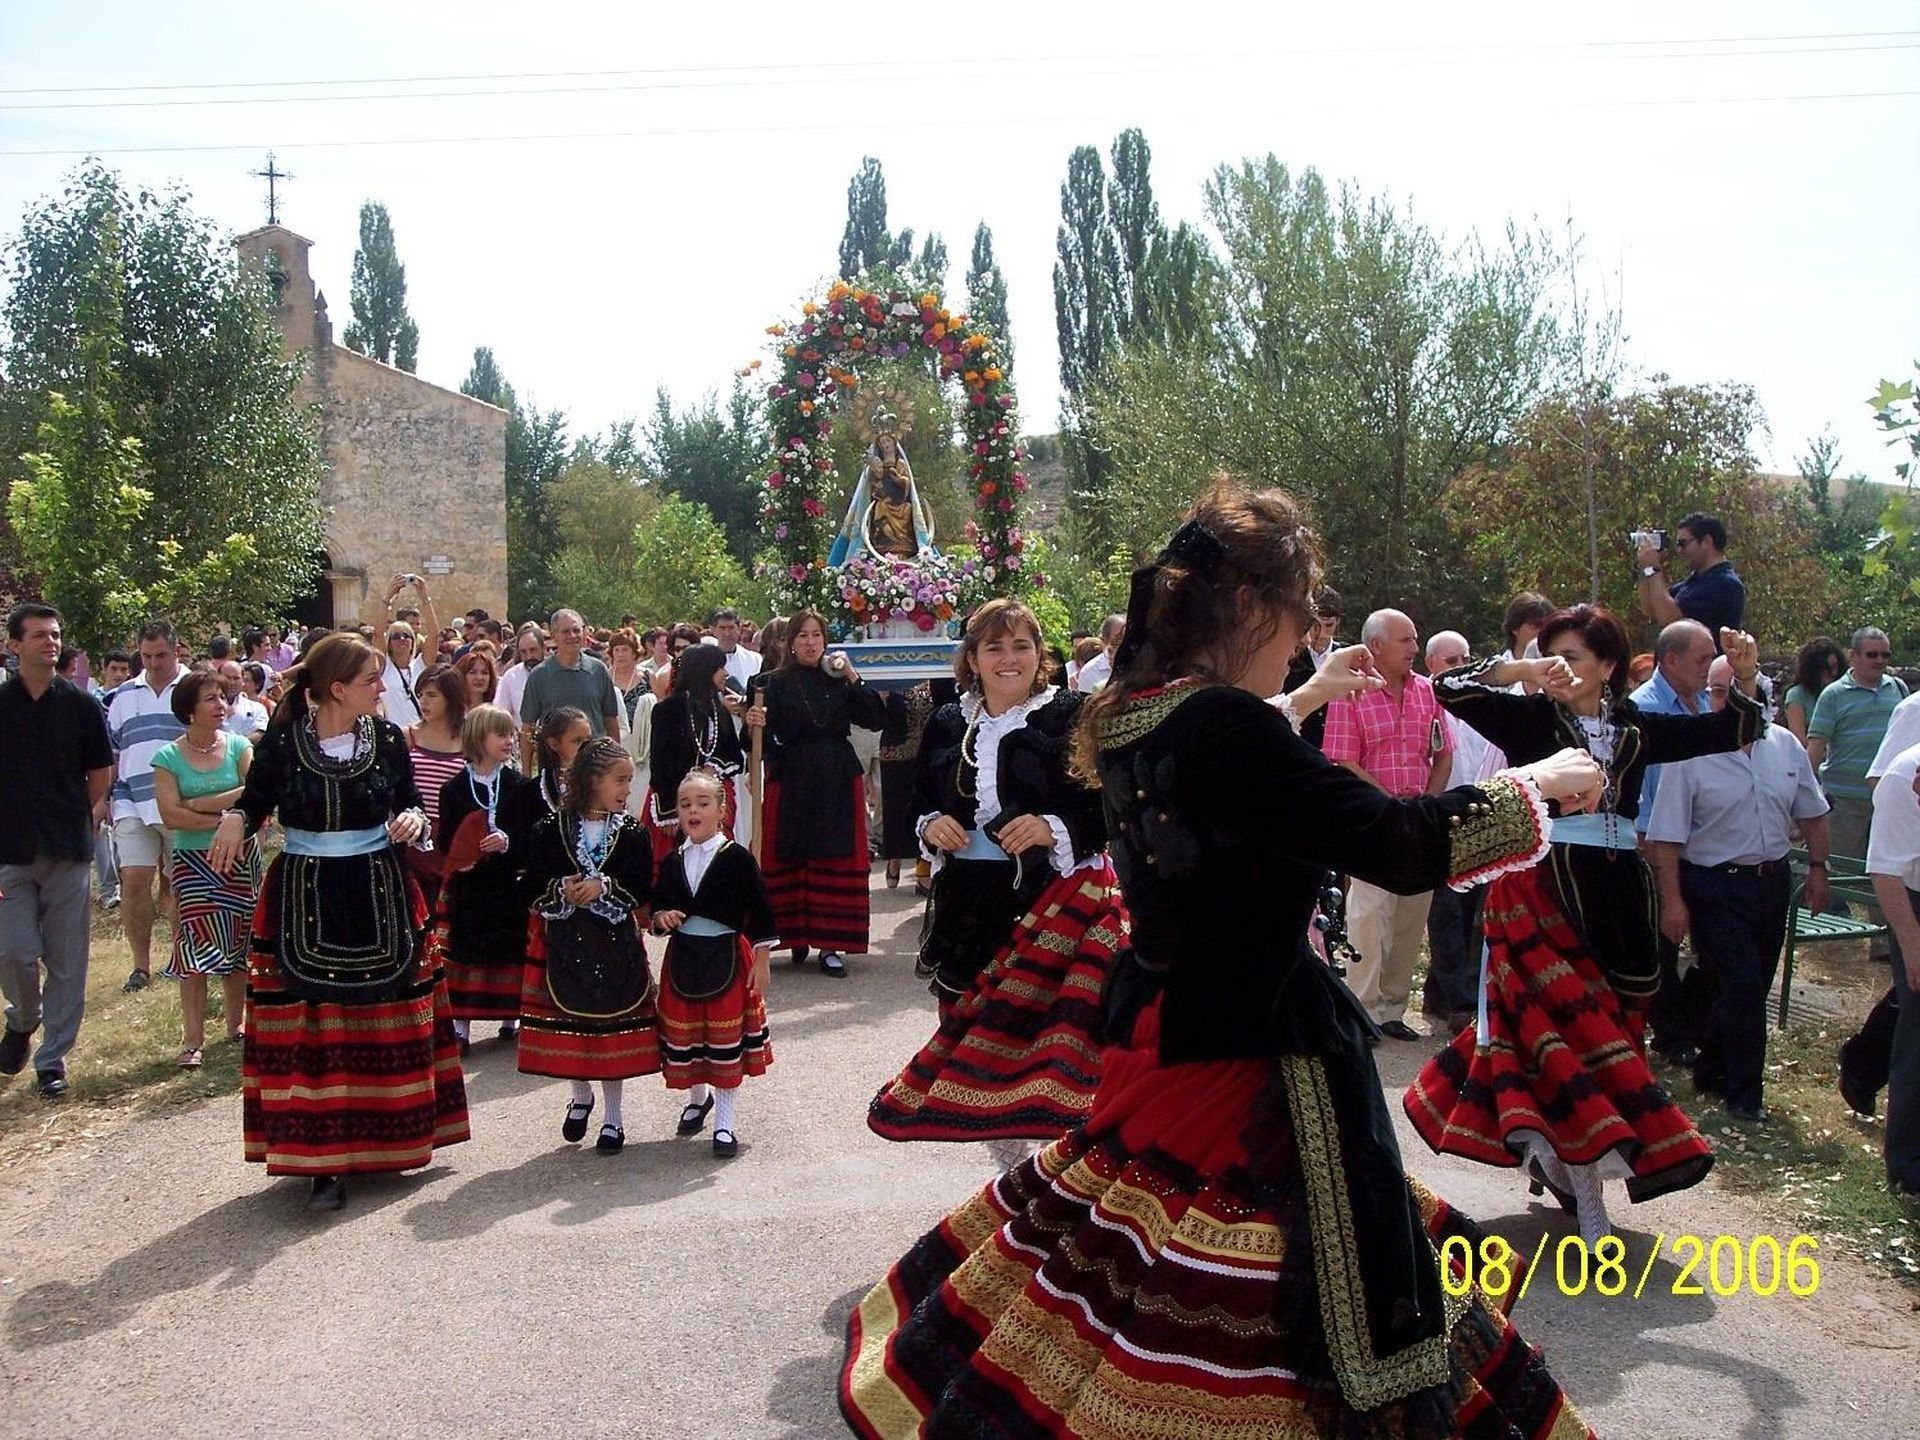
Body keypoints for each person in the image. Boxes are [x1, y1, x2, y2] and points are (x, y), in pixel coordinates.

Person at [841, 484, 1602, 1438]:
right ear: (1248, 608)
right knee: (1279, 1295)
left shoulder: (1137, 710)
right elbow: (1402, 841)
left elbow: (1246, 751)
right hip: (1255, 1052)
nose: (1301, 642)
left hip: (1166, 1021)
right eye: (1296, 620)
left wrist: (1314, 696)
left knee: (1135, 1265)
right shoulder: (1218, 725)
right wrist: (1537, 784)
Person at [1407, 606, 1767, 1243]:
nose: (1561, 668)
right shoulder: (1529, 716)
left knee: (1610, 1033)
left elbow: (1731, 730)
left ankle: (1565, 1154)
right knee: (1553, 1027)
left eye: (1573, 657)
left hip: (1620, 897)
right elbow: (1449, 686)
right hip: (1542, 888)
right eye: (1553, 656)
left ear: (1607, 665)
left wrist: (1742, 676)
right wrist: (1521, 667)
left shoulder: (1635, 728)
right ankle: (1586, 1186)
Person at [207, 634, 466, 1211]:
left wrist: (411, 821)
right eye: (372, 679)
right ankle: (325, 1161)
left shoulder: (390, 740)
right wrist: (234, 819)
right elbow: (256, 802)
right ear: (337, 689)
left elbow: (412, 806)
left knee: (384, 1012)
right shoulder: (283, 741)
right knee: (318, 1022)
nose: (382, 687)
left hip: (379, 889)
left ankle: (396, 1140)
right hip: (304, 893)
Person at [868, 599, 1126, 1142]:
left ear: (1040, 655)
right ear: (973, 658)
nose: (1009, 659)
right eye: (995, 648)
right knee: (971, 1042)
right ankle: (998, 1157)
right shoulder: (945, 721)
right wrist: (931, 824)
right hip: (967, 902)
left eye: (1021, 646)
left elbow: (1110, 807)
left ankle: (1051, 1158)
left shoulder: (1074, 713)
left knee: (1052, 1047)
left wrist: (1051, 827)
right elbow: (919, 799)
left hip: (1052, 899)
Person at [1644, 653, 1832, 1121]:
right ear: (1710, 696)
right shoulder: (1689, 753)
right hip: (1713, 885)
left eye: (1746, 692)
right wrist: (1673, 902)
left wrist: (1819, 866)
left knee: (1743, 983)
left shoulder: (1785, 746)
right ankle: (1745, 1093)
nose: (1736, 702)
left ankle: (1712, 1064)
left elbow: (1811, 809)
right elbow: (1665, 838)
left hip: (1770, 881)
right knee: (1744, 984)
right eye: (1723, 692)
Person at [519, 736, 658, 1155]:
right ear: (592, 780)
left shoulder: (632, 832)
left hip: (615, 943)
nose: (626, 790)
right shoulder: (549, 829)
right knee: (573, 1025)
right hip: (566, 941)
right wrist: (562, 889)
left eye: (630, 781)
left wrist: (606, 887)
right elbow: (529, 883)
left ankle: (613, 1118)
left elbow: (641, 885)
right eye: (620, 780)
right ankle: (580, 1095)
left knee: (610, 1029)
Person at [0, 604, 115, 1100]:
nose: (51, 642)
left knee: (68, 962)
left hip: (68, 847)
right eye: (40, 635)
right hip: (10, 850)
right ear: (14, 645)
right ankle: (23, 1019)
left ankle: (53, 1060)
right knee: (14, 951)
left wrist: (85, 815)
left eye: (56, 634)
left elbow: (100, 773)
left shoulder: (82, 706)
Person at [1322, 608, 1453, 1040]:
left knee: (1410, 915)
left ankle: (1393, 1008)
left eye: (1416, 639)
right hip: (1372, 820)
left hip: (1419, 818)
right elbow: (1341, 760)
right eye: (1407, 640)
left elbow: (1444, 752)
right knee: (1369, 915)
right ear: (1375, 646)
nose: (1415, 648)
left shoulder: (1426, 692)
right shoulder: (1350, 692)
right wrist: (1385, 801)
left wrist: (1429, 805)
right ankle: (1362, 1009)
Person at [745, 611, 888, 979]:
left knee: (834, 855)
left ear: (825, 641)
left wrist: (853, 674)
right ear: (790, 641)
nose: (810, 642)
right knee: (789, 851)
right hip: (791, 773)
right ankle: (792, 936)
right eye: (803, 636)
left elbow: (875, 717)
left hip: (837, 775)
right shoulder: (767, 683)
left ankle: (830, 944)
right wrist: (752, 725)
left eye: (817, 636)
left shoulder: (840, 681)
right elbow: (752, 743)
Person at [651, 769, 777, 1158]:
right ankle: (697, 1097)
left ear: (721, 811)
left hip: (726, 957)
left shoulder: (737, 858)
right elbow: (657, 907)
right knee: (690, 1033)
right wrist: (663, 918)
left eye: (703, 803)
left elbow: (760, 911)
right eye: (685, 804)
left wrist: (762, 959)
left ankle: (725, 1123)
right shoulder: (674, 861)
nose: (693, 810)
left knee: (723, 1041)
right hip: (684, 959)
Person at [151, 670, 258, 1067]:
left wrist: (200, 803)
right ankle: (192, 1041)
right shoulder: (167, 757)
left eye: (223, 698)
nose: (221, 706)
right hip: (193, 863)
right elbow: (171, 815)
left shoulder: (238, 746)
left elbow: (255, 791)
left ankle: (238, 1025)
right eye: (210, 699)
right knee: (194, 950)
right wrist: (224, 818)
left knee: (240, 944)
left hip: (241, 860)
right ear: (189, 709)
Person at [1630, 618, 1719, 1066]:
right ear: (1671, 660)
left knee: (1710, 947)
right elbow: (1642, 798)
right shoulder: (1643, 711)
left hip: (1705, 850)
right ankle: (1672, 1034)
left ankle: (1697, 1024)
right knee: (1664, 945)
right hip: (1655, 848)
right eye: (1702, 659)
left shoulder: (1706, 705)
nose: (1708, 668)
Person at [432, 704, 535, 1052]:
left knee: (509, 947)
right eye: (501, 734)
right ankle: (460, 1026)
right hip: (469, 886)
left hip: (506, 885)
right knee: (464, 952)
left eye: (511, 734)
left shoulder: (519, 785)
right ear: (478, 737)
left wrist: (508, 841)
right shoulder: (454, 788)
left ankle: (511, 1016)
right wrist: (460, 856)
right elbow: (446, 839)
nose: (509, 740)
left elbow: (529, 834)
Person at [1420, 629, 1505, 1033]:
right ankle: (1457, 999)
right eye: (1452, 661)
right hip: (1441, 815)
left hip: (1482, 814)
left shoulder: (1481, 704)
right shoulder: (1427, 702)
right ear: (1431, 664)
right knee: (1448, 914)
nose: (1461, 667)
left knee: (1475, 913)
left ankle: (1444, 992)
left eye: (1466, 657)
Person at [1808, 627, 1908, 954]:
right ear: (1854, 656)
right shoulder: (1834, 695)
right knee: (1839, 869)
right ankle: (1827, 936)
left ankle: (1884, 943)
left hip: (1889, 800)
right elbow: (1817, 746)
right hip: (1845, 798)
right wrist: (1805, 797)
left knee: (1887, 871)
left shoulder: (1899, 690)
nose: (1880, 661)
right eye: (1872, 655)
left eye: (1885, 655)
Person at [106, 619, 186, 993]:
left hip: (183, 803)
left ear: (176, 649)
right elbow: (112, 752)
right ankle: (140, 966)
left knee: (180, 885)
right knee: (135, 880)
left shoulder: (192, 690)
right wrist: (104, 799)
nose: (153, 663)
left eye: (161, 655)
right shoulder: (122, 696)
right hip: (131, 800)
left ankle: (179, 958)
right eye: (146, 655)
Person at [1866, 739, 1920, 1196]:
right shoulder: (1907, 774)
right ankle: (1908, 1161)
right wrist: (1913, 945)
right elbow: (1886, 870)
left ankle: (1861, 1063)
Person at [642, 643, 745, 866]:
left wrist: (713, 767)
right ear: (705, 670)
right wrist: (668, 811)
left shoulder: (717, 710)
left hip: (711, 798)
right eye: (720, 668)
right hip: (676, 798)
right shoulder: (668, 710)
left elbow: (734, 756)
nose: (725, 674)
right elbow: (660, 764)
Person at [403, 667, 470, 922]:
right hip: (413, 837)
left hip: (453, 838)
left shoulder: (470, 739)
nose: (424, 702)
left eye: (432, 695)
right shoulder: (408, 736)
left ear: (451, 697)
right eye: (420, 695)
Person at [519, 609, 620, 767]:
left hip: (595, 765)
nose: (572, 636)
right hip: (555, 766)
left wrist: (615, 760)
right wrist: (526, 773)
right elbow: (528, 728)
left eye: (576, 630)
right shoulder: (539, 676)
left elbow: (610, 720)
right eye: (566, 631)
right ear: (553, 636)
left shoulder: (598, 670)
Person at [1635, 510, 1746, 641]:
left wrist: (1654, 569)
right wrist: (1645, 568)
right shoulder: (1695, 582)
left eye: (1683, 544)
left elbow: (1669, 620)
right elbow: (1651, 609)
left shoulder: (1725, 584)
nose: (1679, 551)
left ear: (1706, 542)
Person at [1279, 585, 1343, 749]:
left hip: (1341, 750)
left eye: (1328, 625)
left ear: (1338, 622)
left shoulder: (1349, 658)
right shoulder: (1290, 658)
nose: (1321, 634)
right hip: (1299, 747)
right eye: (1316, 626)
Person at [529, 707, 592, 819]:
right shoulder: (534, 790)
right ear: (554, 744)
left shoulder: (599, 783)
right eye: (577, 741)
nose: (585, 747)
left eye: (588, 740)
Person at [1784, 636, 1847, 745]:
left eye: (1833, 667)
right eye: (1824, 668)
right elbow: (1798, 739)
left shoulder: (1844, 692)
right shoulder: (1796, 695)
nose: (1831, 673)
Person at [495, 624, 546, 730]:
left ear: (543, 648)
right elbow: (500, 714)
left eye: (533, 650)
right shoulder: (511, 677)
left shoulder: (556, 672)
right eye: (523, 652)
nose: (529, 657)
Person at [605, 627, 650, 732]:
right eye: (617, 650)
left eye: (625, 649)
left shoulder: (648, 677)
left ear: (634, 652)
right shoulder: (604, 677)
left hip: (643, 737)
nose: (620, 654)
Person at [710, 607, 763, 693]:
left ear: (739, 628)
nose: (727, 634)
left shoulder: (755, 659)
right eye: (722, 628)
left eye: (731, 628)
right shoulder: (705, 661)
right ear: (713, 630)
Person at [1071, 612, 1125, 693]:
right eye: (1118, 638)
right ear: (1105, 640)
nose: (1125, 641)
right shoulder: (1089, 672)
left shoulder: (1142, 665)